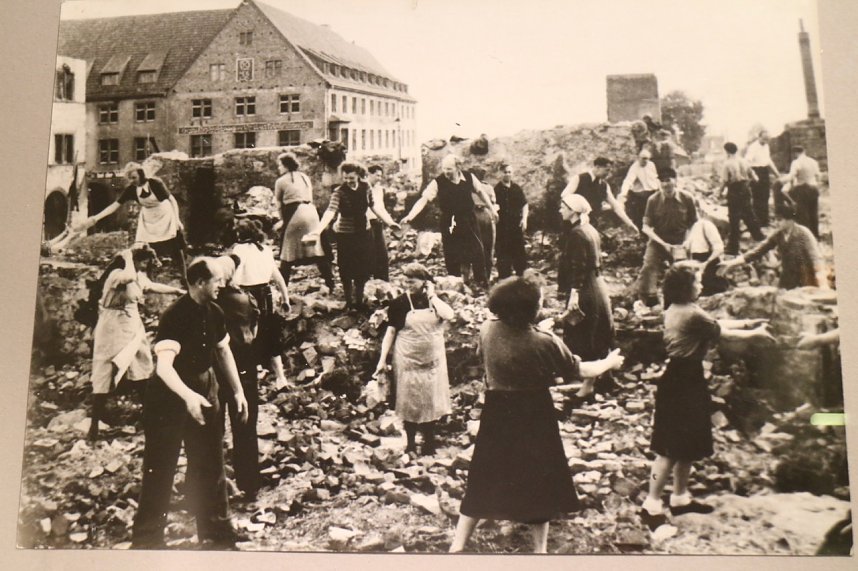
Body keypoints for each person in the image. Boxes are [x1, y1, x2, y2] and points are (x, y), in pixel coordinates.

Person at [449, 273, 624, 553]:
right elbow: (582, 371)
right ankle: (539, 551)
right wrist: (609, 362)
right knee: (538, 478)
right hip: (533, 414)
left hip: (496, 411)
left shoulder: (487, 329)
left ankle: (457, 546)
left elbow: (509, 341)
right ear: (531, 309)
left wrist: (534, 330)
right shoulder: (545, 341)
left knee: (484, 474)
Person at [640, 265, 774, 530]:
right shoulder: (692, 314)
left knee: (684, 443)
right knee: (669, 447)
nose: (701, 286)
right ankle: (651, 504)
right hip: (684, 381)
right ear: (686, 287)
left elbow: (715, 324)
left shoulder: (677, 309)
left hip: (681, 378)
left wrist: (747, 322)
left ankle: (679, 498)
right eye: (697, 282)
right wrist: (755, 333)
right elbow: (723, 333)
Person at [131, 257, 248, 549]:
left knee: (211, 463)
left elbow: (223, 352)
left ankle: (218, 535)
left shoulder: (216, 311)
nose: (222, 284)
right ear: (198, 283)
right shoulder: (174, 316)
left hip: (205, 388)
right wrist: (188, 397)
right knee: (160, 467)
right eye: (216, 280)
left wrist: (237, 391)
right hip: (169, 397)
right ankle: (147, 540)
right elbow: (164, 368)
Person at [88, 245, 184, 440]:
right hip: (112, 328)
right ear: (132, 260)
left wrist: (176, 290)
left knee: (142, 366)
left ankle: (149, 416)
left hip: (132, 327)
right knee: (104, 372)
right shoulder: (117, 274)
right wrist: (128, 257)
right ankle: (94, 425)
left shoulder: (137, 274)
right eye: (142, 261)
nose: (145, 265)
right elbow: (128, 277)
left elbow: (152, 285)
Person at [373, 263, 454, 456]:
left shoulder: (436, 302)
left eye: (412, 281)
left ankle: (429, 442)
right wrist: (382, 360)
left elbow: (448, 315)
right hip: (407, 359)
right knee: (408, 400)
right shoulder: (399, 303)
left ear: (424, 282)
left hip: (433, 361)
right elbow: (390, 332)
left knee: (431, 400)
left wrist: (432, 296)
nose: (408, 284)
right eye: (405, 281)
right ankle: (409, 443)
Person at [75, 162, 187, 281]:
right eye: (130, 178)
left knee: (176, 248)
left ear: (141, 174)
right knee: (148, 250)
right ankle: (150, 281)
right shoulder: (132, 190)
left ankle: (185, 278)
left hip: (165, 215)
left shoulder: (155, 183)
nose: (132, 180)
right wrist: (95, 218)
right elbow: (115, 206)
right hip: (148, 219)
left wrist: (177, 219)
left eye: (134, 177)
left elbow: (172, 200)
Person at [312, 162, 400, 309]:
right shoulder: (339, 192)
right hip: (345, 235)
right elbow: (330, 211)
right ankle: (349, 302)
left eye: (351, 178)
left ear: (358, 176)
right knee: (345, 268)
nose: (348, 181)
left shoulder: (366, 187)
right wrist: (318, 229)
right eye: (345, 178)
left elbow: (374, 206)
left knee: (362, 268)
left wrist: (390, 222)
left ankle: (359, 300)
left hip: (364, 233)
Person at [400, 155, 497, 288]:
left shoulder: (469, 177)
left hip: (469, 219)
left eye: (449, 169)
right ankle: (456, 284)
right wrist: (411, 215)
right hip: (450, 221)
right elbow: (424, 199)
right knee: (452, 253)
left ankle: (480, 283)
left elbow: (481, 192)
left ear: (458, 167)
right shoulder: (438, 182)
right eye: (444, 169)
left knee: (477, 251)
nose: (446, 172)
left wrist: (492, 209)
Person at [212, 255, 262, 502]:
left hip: (214, 369)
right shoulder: (244, 299)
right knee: (245, 423)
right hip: (244, 367)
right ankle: (250, 484)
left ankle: (212, 486)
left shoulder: (210, 303)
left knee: (212, 427)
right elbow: (254, 329)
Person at [557, 194, 614, 402]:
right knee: (598, 330)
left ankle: (585, 384)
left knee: (581, 331)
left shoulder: (577, 234)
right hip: (597, 286)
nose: (560, 210)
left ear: (573, 210)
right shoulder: (590, 230)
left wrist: (574, 293)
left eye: (563, 207)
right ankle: (603, 378)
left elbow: (578, 266)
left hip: (585, 290)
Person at [230, 218, 291, 388]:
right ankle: (281, 378)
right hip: (267, 295)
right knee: (270, 333)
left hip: (247, 297)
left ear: (240, 234)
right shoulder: (265, 249)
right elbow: (277, 276)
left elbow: (237, 277)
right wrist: (285, 298)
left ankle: (253, 375)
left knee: (249, 335)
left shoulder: (239, 250)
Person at [718, 202, 828, 290]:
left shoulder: (803, 233)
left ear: (790, 220)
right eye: (775, 219)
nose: (776, 223)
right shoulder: (778, 235)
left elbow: (815, 257)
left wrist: (822, 282)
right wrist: (731, 263)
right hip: (787, 278)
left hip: (806, 277)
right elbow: (757, 251)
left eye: (779, 220)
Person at [272, 152, 336, 291]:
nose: (279, 168)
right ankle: (331, 284)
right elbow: (310, 198)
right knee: (317, 250)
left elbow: (278, 203)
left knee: (287, 253)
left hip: (295, 212)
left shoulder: (280, 181)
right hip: (311, 212)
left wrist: (283, 220)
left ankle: (282, 291)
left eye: (280, 165)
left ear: (286, 166)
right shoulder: (305, 177)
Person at [637, 168, 697, 306]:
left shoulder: (687, 198)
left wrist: (688, 241)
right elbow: (645, 227)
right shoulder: (653, 200)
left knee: (683, 272)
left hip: (680, 240)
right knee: (648, 267)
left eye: (668, 181)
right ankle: (650, 302)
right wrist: (662, 243)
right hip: (659, 240)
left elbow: (694, 223)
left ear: (675, 181)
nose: (666, 185)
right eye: (662, 182)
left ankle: (682, 302)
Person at [561, 157, 638, 233]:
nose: (608, 173)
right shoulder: (579, 178)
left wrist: (630, 224)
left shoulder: (604, 186)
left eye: (610, 171)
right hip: (573, 224)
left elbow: (616, 207)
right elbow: (565, 196)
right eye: (607, 170)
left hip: (591, 225)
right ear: (597, 167)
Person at [720, 142, 765, 255]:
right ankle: (759, 237)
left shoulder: (727, 164)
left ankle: (733, 247)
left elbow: (725, 181)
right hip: (745, 190)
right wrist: (747, 183)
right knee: (749, 214)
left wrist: (719, 193)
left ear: (727, 151)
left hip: (734, 191)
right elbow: (755, 178)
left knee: (734, 219)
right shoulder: (744, 161)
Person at [683, 198, 729, 296]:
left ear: (698, 210)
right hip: (698, 268)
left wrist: (706, 263)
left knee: (715, 295)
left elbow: (719, 248)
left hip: (710, 267)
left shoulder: (706, 225)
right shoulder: (689, 228)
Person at [493, 164, 529, 278]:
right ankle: (504, 279)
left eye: (509, 172)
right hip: (502, 227)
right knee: (503, 254)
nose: (507, 174)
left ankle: (521, 278)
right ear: (500, 173)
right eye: (505, 172)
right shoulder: (496, 190)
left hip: (515, 226)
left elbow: (524, 205)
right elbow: (492, 206)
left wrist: (524, 219)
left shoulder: (516, 189)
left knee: (519, 253)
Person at [744, 129, 780, 227]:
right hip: (756, 171)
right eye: (764, 139)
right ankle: (758, 221)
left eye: (767, 139)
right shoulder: (753, 147)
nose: (765, 141)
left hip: (764, 172)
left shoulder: (766, 146)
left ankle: (765, 220)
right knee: (757, 197)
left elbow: (768, 161)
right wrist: (752, 175)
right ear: (759, 137)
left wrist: (777, 174)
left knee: (766, 195)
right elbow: (747, 162)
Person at [619, 149, 661, 230]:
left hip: (653, 192)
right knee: (641, 216)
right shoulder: (635, 167)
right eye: (643, 158)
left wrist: (659, 188)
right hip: (641, 195)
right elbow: (628, 180)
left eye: (647, 159)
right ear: (638, 158)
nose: (645, 161)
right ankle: (641, 233)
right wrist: (623, 193)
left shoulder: (651, 165)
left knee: (656, 214)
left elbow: (655, 178)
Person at [785, 145, 821, 238]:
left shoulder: (796, 162)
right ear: (804, 151)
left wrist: (786, 181)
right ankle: (815, 235)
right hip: (814, 187)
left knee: (803, 214)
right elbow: (818, 175)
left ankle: (806, 237)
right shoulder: (813, 161)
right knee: (813, 212)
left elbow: (791, 176)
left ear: (795, 153)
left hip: (803, 188)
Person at [366, 164, 394, 281]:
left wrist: (391, 222)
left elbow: (381, 208)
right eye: (377, 175)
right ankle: (366, 281)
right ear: (369, 174)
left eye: (380, 176)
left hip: (377, 222)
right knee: (368, 252)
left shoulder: (379, 189)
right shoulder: (363, 187)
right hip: (366, 224)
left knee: (382, 252)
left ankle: (382, 280)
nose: (379, 178)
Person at [470, 168, 497, 280]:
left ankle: (483, 276)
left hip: (480, 215)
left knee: (483, 245)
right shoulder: (486, 187)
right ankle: (483, 276)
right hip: (480, 213)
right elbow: (493, 202)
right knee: (482, 246)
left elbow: (494, 202)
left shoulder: (486, 187)